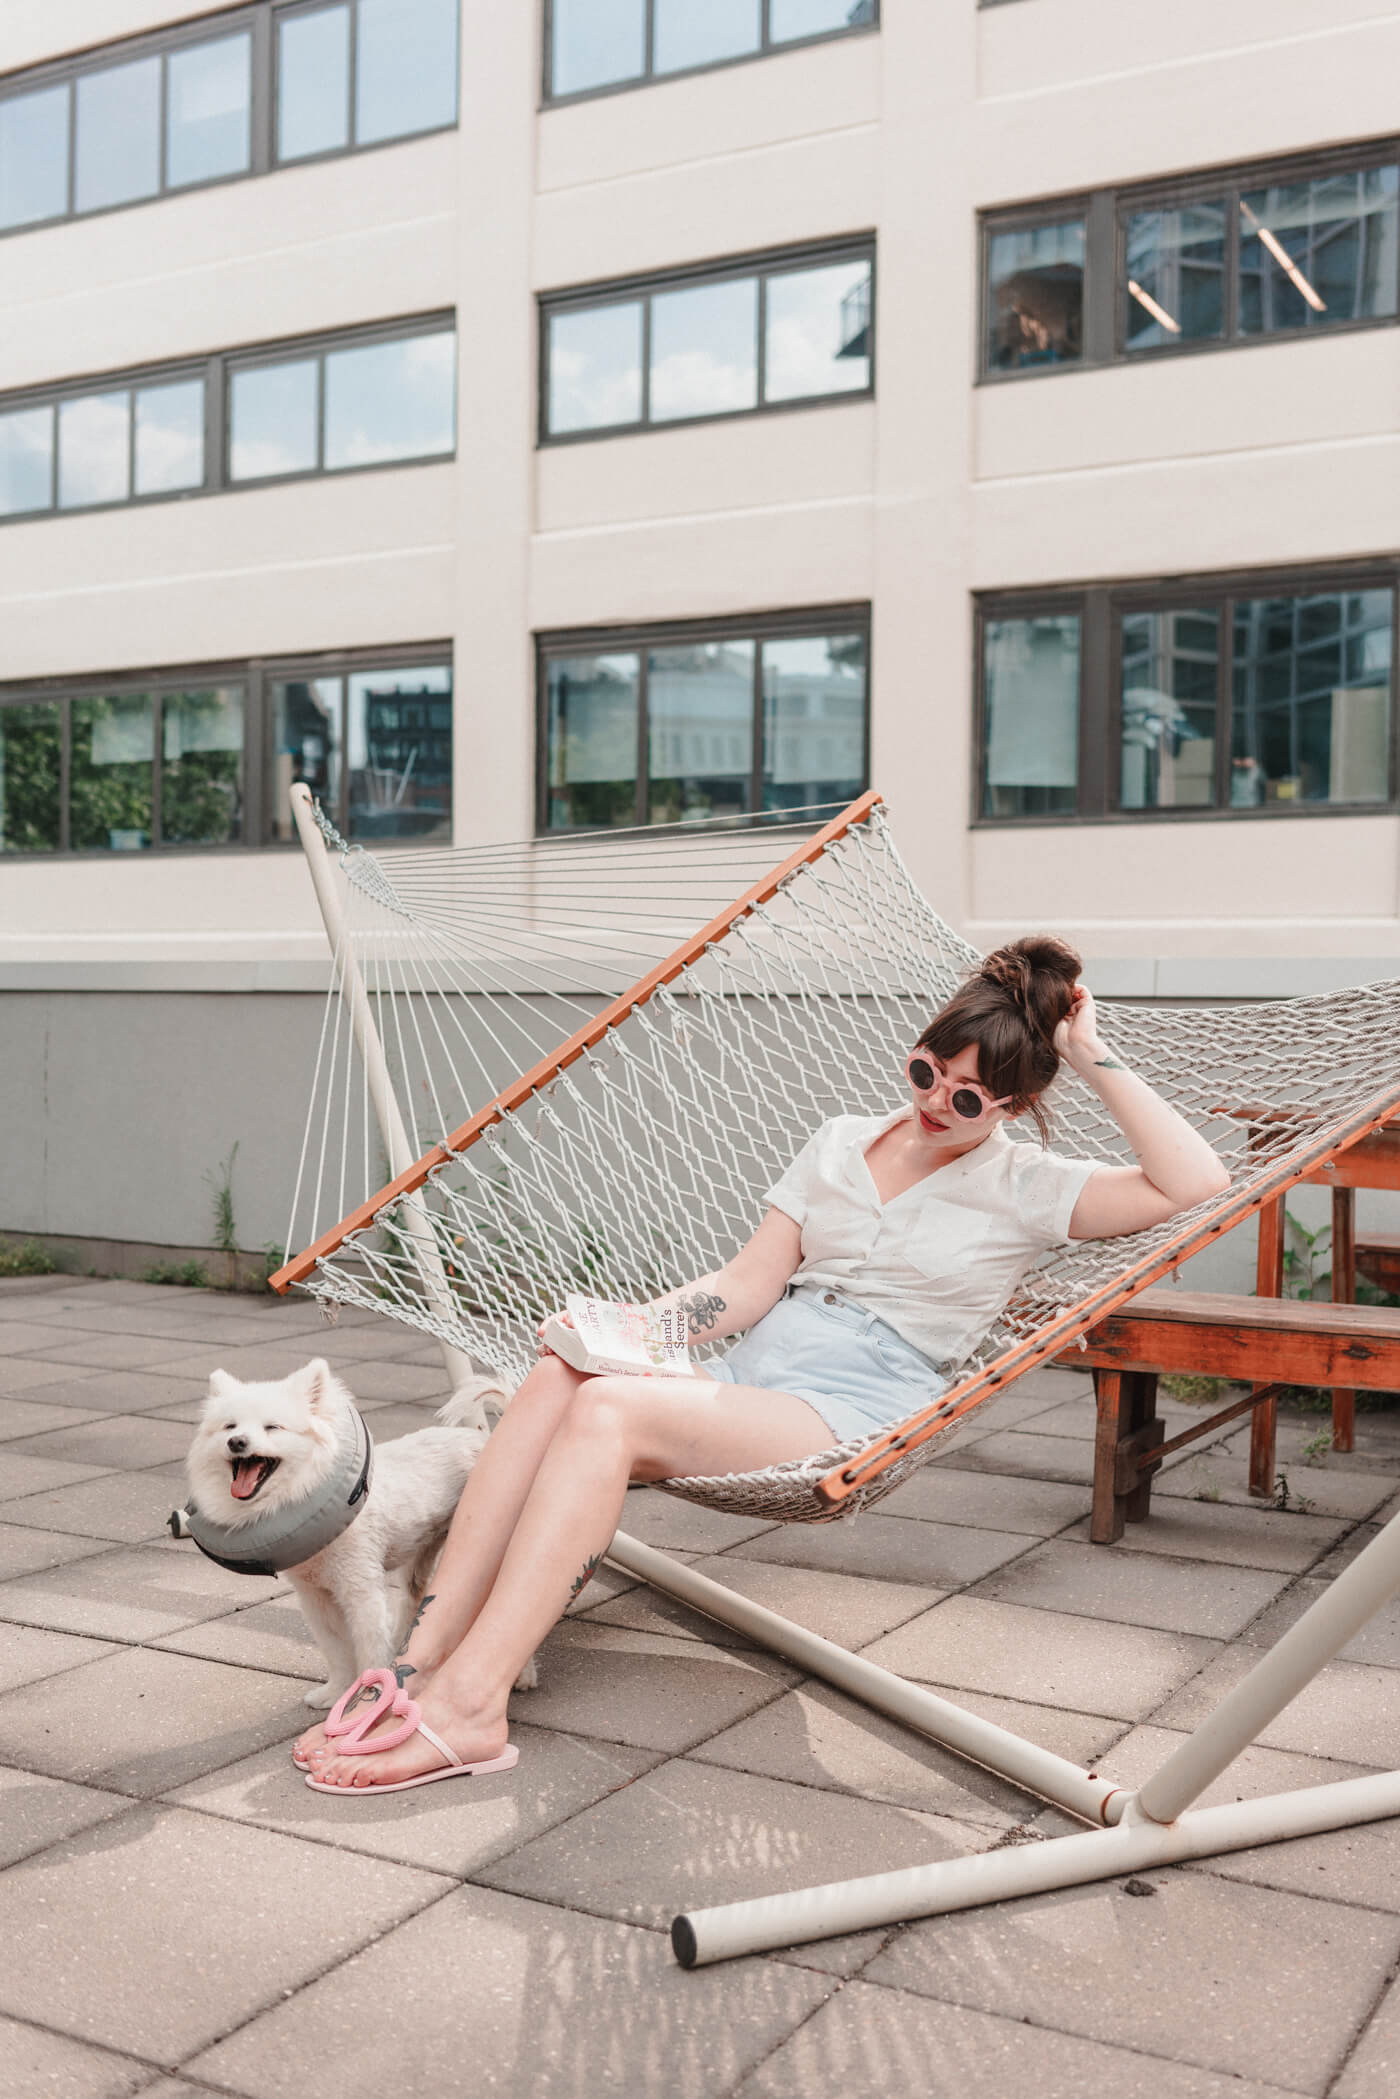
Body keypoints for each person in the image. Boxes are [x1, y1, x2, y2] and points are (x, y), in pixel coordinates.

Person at [300, 935, 1229, 1790]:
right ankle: (418, 1660)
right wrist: (631, 1326)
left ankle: (472, 1705)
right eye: (925, 1071)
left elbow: (1195, 1182)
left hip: (852, 1404)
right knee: (559, 1371)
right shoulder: (840, 1142)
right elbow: (746, 1286)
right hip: (752, 1370)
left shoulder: (1028, 1187)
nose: (935, 1102)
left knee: (607, 1415)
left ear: (1017, 1104)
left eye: (969, 1097)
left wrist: (1087, 1051)